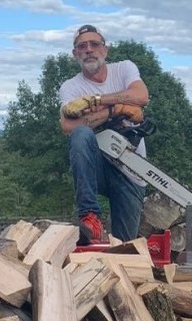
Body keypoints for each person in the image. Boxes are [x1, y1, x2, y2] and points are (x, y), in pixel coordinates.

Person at [59, 24, 150, 244]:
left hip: (130, 168)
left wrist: (98, 102)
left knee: (125, 244)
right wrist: (114, 109)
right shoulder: (71, 87)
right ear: (75, 54)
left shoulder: (124, 69)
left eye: (94, 44)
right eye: (82, 46)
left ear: (105, 50)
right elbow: (68, 126)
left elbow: (141, 96)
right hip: (97, 166)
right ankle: (90, 215)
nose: (89, 49)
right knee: (81, 135)